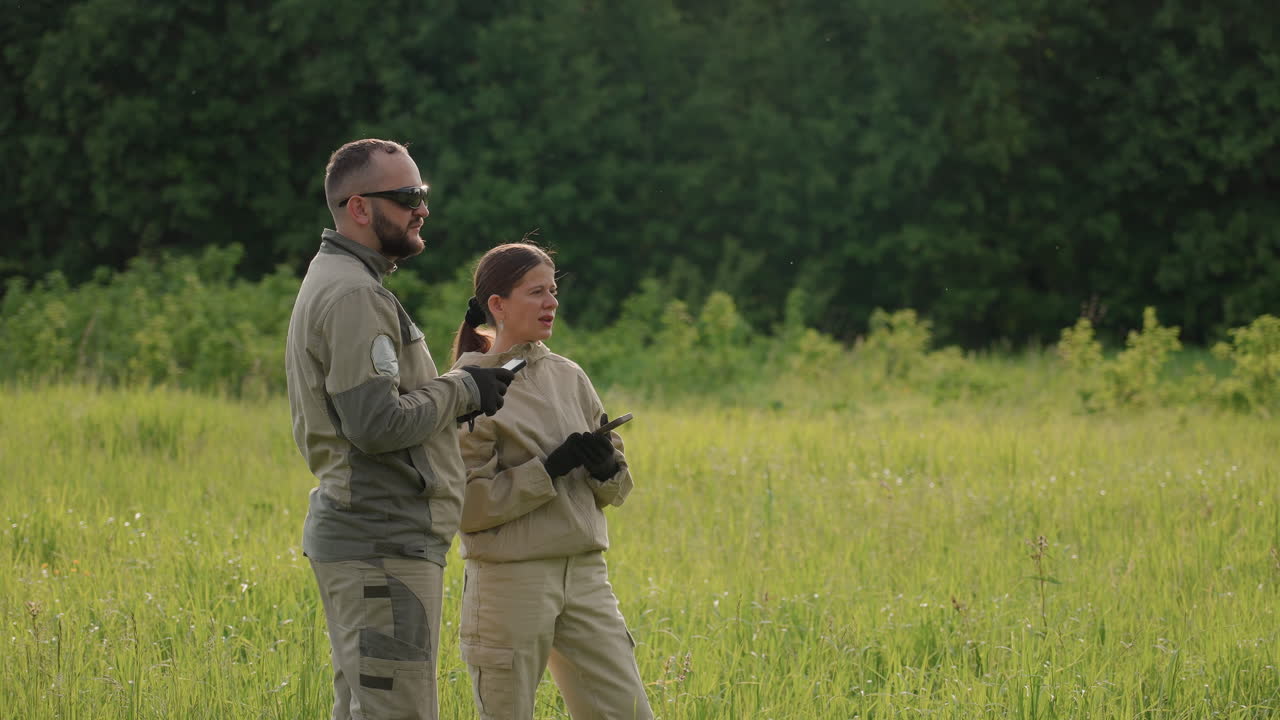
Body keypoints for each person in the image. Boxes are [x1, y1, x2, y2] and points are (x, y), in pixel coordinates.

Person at [285, 138, 515, 720]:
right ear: (359, 208)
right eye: (408, 195)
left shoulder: (342, 280)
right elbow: (375, 423)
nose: (422, 209)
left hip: (376, 540)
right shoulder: (354, 294)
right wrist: (464, 388)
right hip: (381, 543)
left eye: (423, 194)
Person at [449, 242, 654, 720]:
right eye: (536, 292)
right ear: (496, 305)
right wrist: (549, 470)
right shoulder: (464, 385)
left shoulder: (570, 375)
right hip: (509, 581)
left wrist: (605, 468)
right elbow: (466, 508)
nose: (552, 303)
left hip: (585, 577)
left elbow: (617, 490)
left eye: (554, 290)